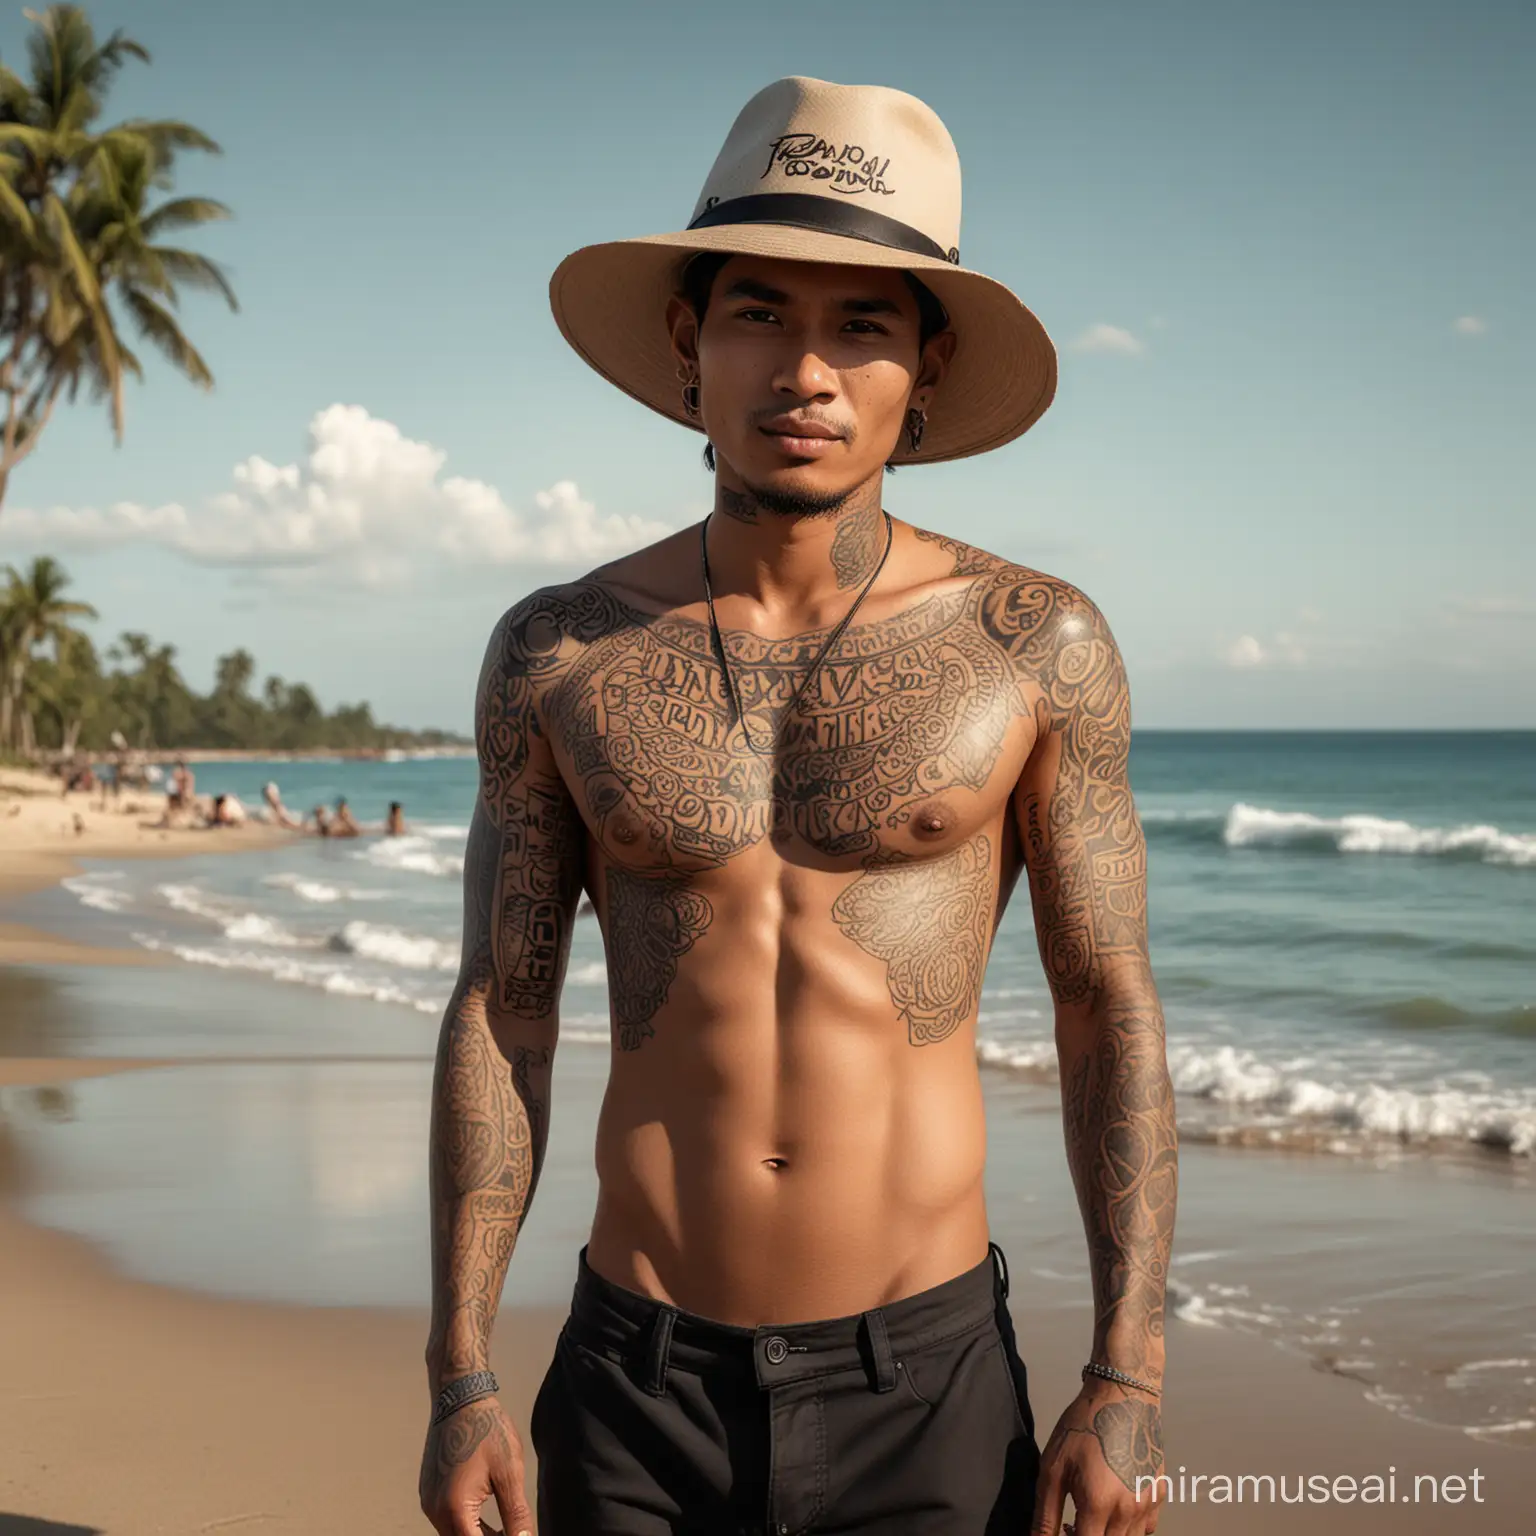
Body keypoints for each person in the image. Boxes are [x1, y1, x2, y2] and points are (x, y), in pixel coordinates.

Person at [419, 77, 1176, 1536]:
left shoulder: (1033, 642)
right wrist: (461, 1373)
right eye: (760, 311)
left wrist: (1124, 1371)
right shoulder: (561, 650)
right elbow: (501, 1010)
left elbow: (1107, 1006)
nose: (806, 371)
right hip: (635, 1376)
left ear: (928, 366)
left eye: (863, 326)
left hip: (926, 1380)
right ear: (688, 344)